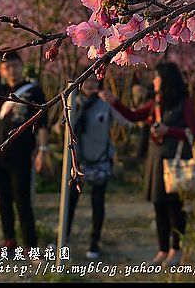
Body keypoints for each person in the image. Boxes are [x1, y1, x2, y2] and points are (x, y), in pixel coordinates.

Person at [99, 61, 195, 267]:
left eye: (157, 76)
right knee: (158, 205)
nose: (154, 80)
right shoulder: (156, 102)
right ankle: (163, 249)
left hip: (175, 162)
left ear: (166, 80)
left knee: (175, 208)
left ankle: (176, 250)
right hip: (156, 159)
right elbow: (134, 115)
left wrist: (169, 131)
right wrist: (114, 102)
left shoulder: (184, 102)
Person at [66, 72, 131, 260]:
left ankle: (94, 243)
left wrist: (115, 101)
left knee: (98, 204)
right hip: (78, 163)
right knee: (70, 203)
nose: (91, 84)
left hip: (100, 161)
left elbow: (126, 121)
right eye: (86, 81)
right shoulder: (73, 103)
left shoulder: (105, 105)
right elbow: (59, 128)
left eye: (95, 81)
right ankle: (65, 237)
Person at [0, 51, 49, 258]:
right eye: (6, 66)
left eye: (14, 65)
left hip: (21, 155)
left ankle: (31, 247)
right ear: (0, 70)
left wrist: (42, 151)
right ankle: (8, 241)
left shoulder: (33, 90)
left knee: (23, 202)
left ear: (21, 65)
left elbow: (42, 124)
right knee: (3, 201)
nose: (11, 70)